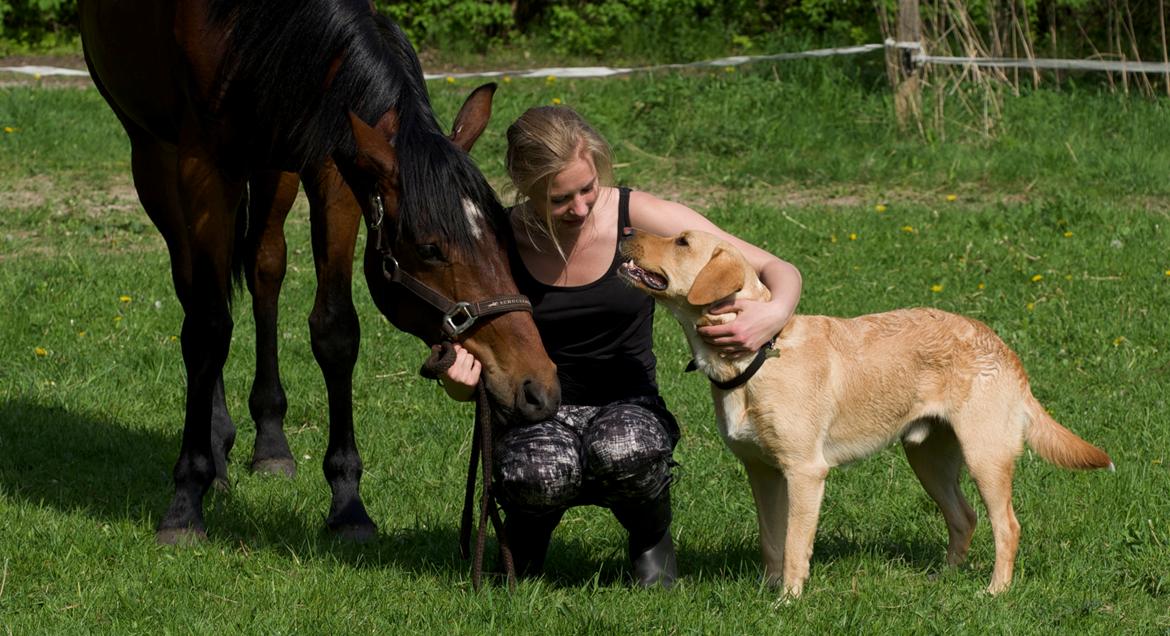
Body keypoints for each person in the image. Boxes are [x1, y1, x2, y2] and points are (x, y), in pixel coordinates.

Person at [440, 106, 802, 588]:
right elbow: (477, 351)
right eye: (559, 198)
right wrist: (458, 384)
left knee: (626, 449)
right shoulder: (500, 239)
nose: (580, 207)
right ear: (525, 187)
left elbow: (779, 268)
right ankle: (524, 539)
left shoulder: (637, 216)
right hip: (538, 409)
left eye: (587, 188)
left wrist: (771, 315)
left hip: (627, 403)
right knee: (540, 469)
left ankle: (651, 538)